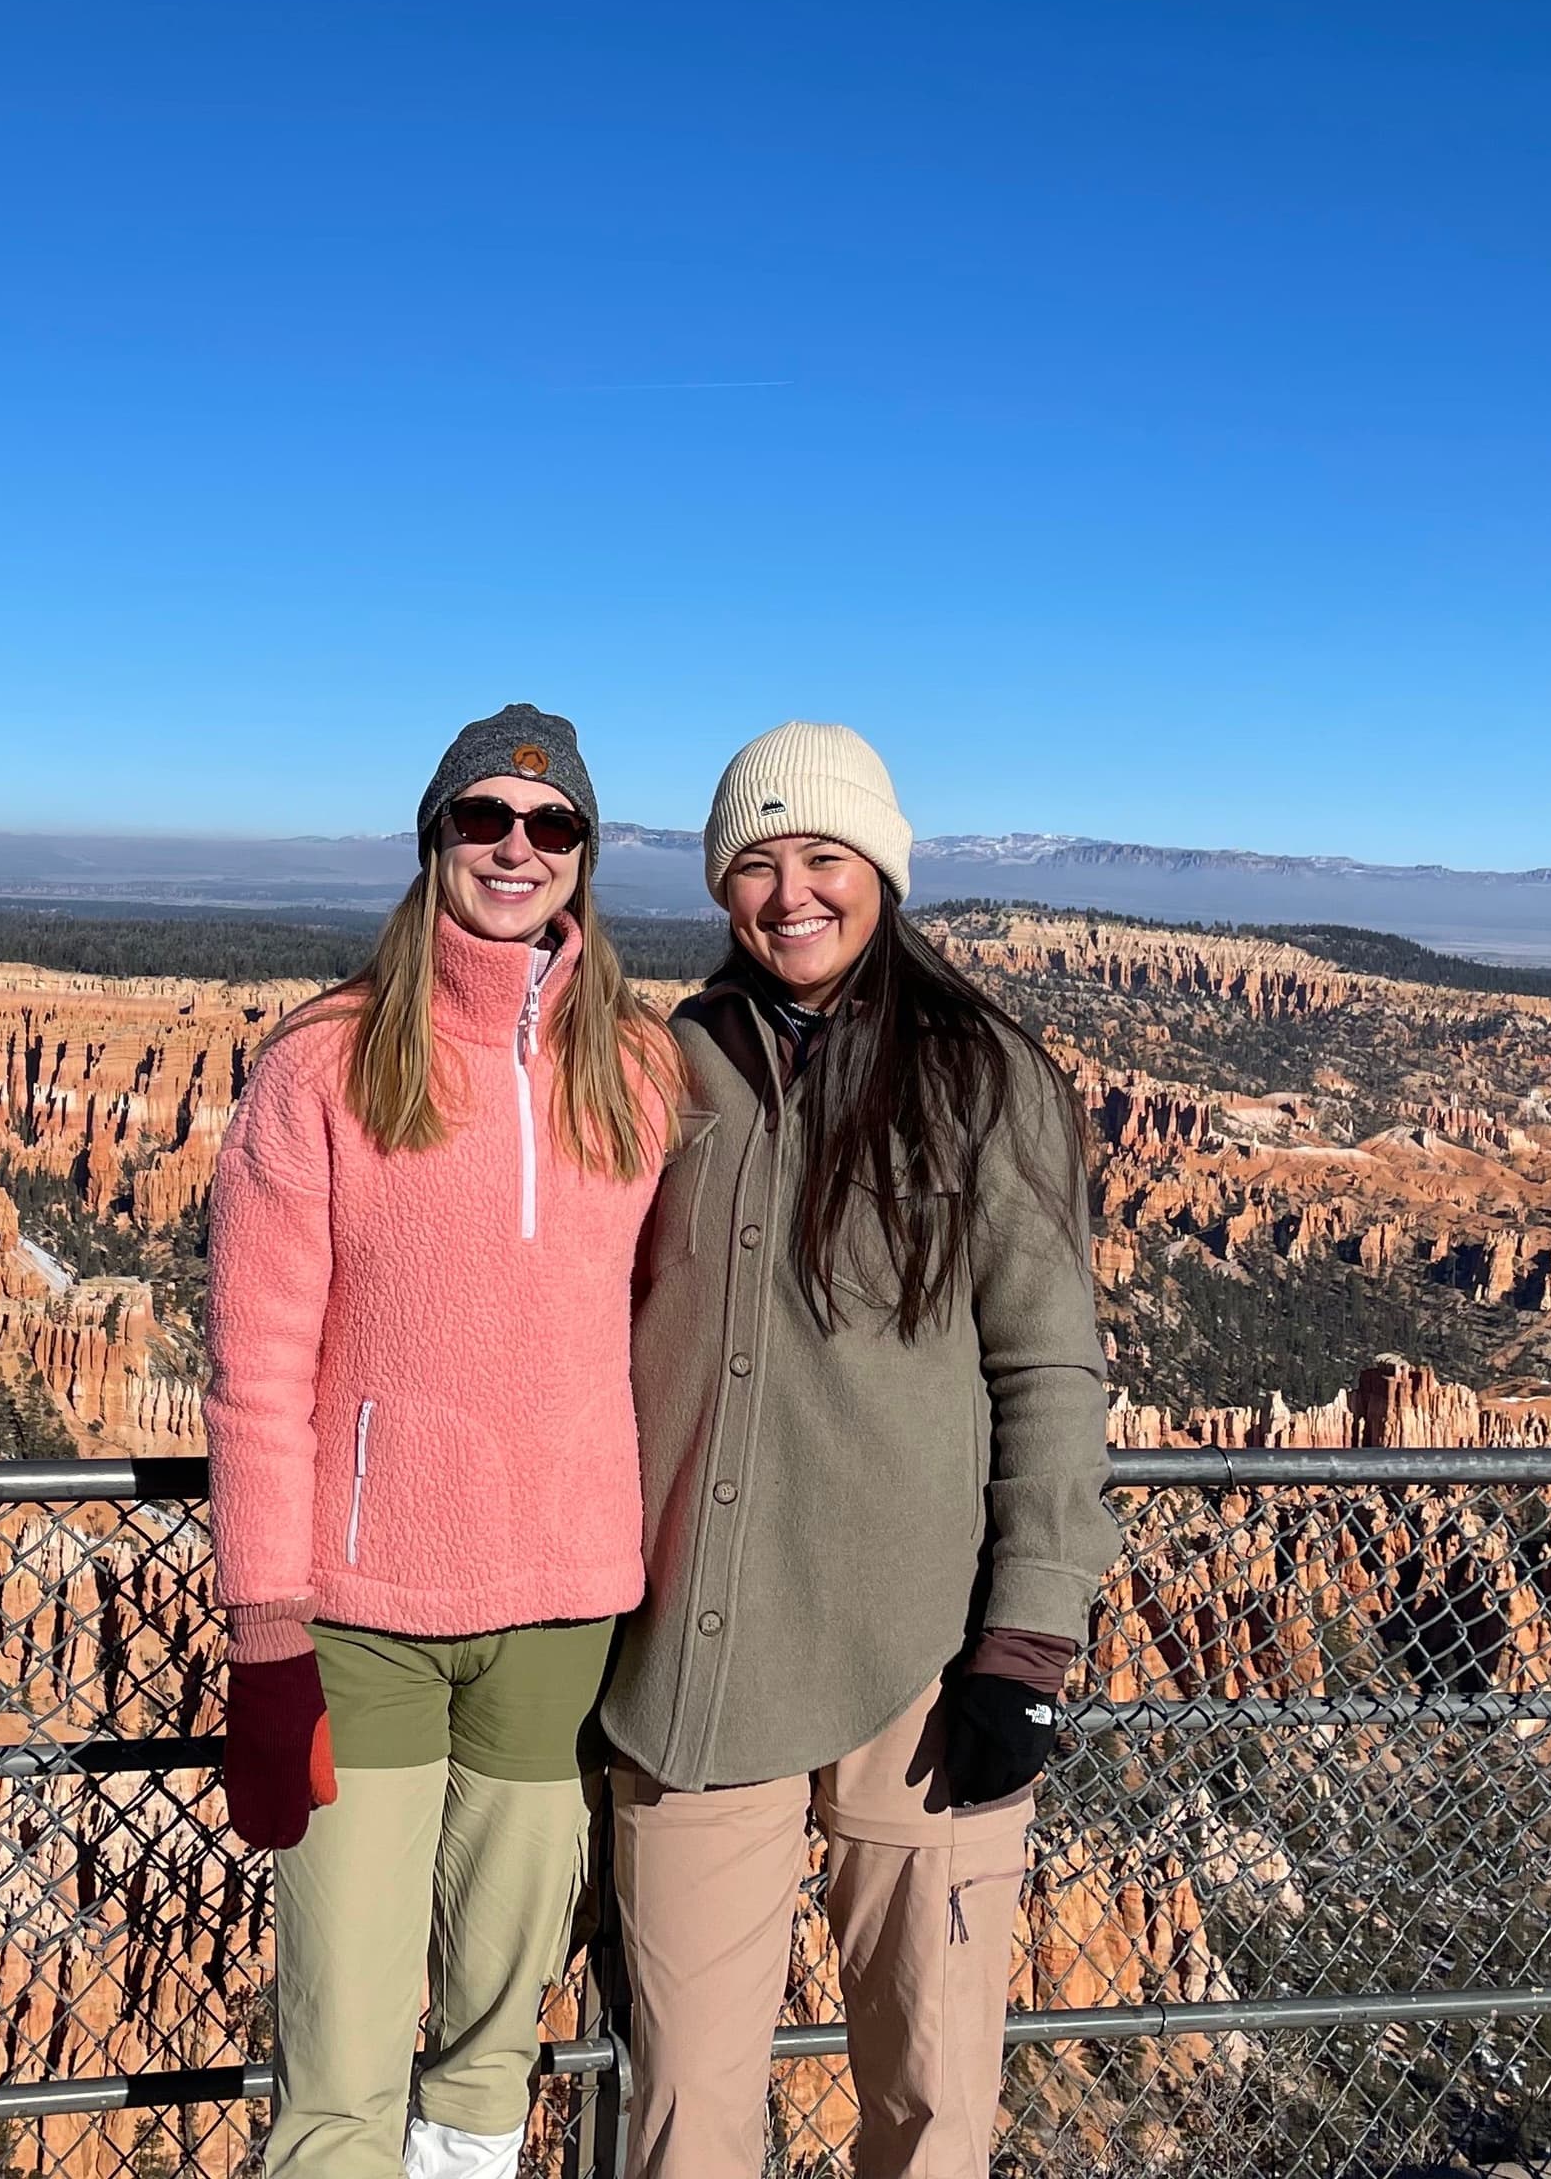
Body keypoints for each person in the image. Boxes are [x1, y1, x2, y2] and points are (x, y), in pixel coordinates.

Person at [601, 721, 1118, 2179]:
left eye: (822, 857)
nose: (790, 894)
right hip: (698, 1665)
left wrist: (1028, 1635)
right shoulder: (667, 1065)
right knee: (686, 2118)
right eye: (755, 865)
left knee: (932, 2103)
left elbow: (1048, 1368)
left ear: (880, 870)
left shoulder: (981, 1074)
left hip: (923, 1662)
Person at [205, 703, 682, 2179]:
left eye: (552, 827)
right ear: (434, 842)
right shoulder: (323, 1065)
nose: (516, 848)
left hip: (559, 1614)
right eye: (484, 820)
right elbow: (257, 1366)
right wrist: (263, 1632)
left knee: (491, 2042)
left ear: (588, 859)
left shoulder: (644, 1070)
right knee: (342, 2042)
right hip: (365, 1624)